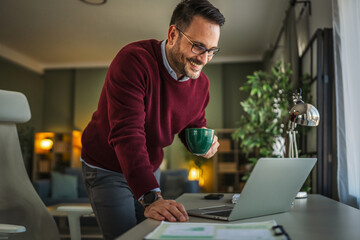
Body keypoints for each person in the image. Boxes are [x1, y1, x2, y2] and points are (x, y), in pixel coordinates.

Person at [81, 0, 225, 238]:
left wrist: (203, 145)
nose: (204, 59)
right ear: (172, 34)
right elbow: (128, 134)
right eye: (198, 47)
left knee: (152, 233)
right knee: (128, 236)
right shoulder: (133, 61)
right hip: (107, 166)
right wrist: (151, 197)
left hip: (148, 167)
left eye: (212, 50)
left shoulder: (202, 84)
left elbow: (194, 124)